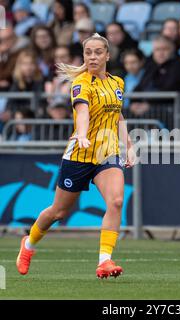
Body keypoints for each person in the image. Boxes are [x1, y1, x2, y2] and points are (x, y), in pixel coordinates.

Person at [16, 33, 136, 279]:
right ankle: (28, 245)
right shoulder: (81, 83)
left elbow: (118, 116)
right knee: (59, 212)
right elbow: (82, 112)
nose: (93, 56)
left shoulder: (118, 83)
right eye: (88, 52)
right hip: (79, 154)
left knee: (115, 201)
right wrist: (81, 133)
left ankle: (104, 261)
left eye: (98, 52)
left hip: (106, 152)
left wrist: (130, 146)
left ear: (107, 55)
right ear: (84, 56)